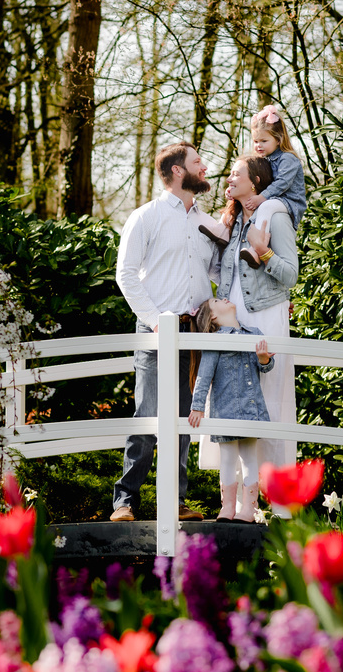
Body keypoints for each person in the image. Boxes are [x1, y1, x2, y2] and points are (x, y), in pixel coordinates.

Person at [111, 142, 216, 523]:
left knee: (185, 418)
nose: (204, 167)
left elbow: (219, 273)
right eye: (197, 162)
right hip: (156, 330)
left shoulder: (207, 223)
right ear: (177, 171)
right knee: (148, 415)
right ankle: (125, 502)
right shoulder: (146, 217)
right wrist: (155, 320)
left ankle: (175, 499)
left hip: (195, 334)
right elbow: (125, 274)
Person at [215, 154, 299, 482]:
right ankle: (241, 498)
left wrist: (264, 253)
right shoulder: (233, 222)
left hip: (267, 319)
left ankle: (277, 499)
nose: (229, 179)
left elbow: (290, 275)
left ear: (257, 182)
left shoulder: (275, 216)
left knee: (270, 404)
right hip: (234, 324)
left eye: (237, 174)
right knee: (234, 401)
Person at [187, 298, 274, 522]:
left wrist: (264, 359)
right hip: (224, 410)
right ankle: (227, 508)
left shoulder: (254, 333)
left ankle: (249, 509)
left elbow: (265, 366)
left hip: (250, 407)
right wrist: (197, 406)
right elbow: (204, 376)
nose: (224, 298)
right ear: (213, 316)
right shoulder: (215, 341)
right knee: (227, 458)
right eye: (217, 300)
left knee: (249, 458)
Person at [198, 104, 308, 267]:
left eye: (264, 141)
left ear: (278, 140)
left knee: (265, 207)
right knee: (238, 202)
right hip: (274, 199)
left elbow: (282, 183)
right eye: (256, 141)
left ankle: (256, 250)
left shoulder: (288, 159)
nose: (258, 146)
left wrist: (261, 198)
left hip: (289, 201)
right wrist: (232, 191)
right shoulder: (265, 161)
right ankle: (222, 230)